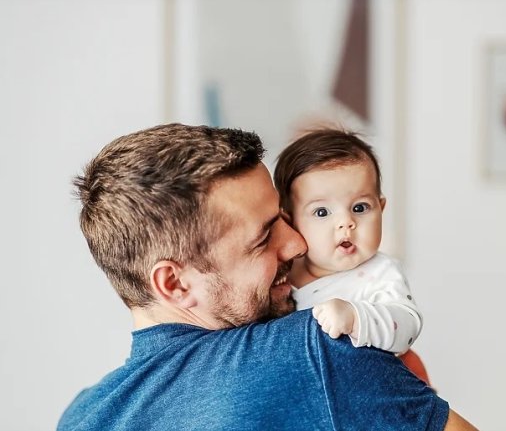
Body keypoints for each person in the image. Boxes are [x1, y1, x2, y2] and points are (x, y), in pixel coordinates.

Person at [58, 123, 478, 431]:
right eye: (263, 238)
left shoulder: (80, 417)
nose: (296, 244)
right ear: (175, 284)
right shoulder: (317, 350)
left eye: (283, 218)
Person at [274, 129, 428, 379]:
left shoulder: (379, 272)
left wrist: (355, 317)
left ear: (381, 208)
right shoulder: (282, 274)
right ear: (290, 223)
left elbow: (408, 324)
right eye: (322, 212)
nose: (346, 222)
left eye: (360, 207)